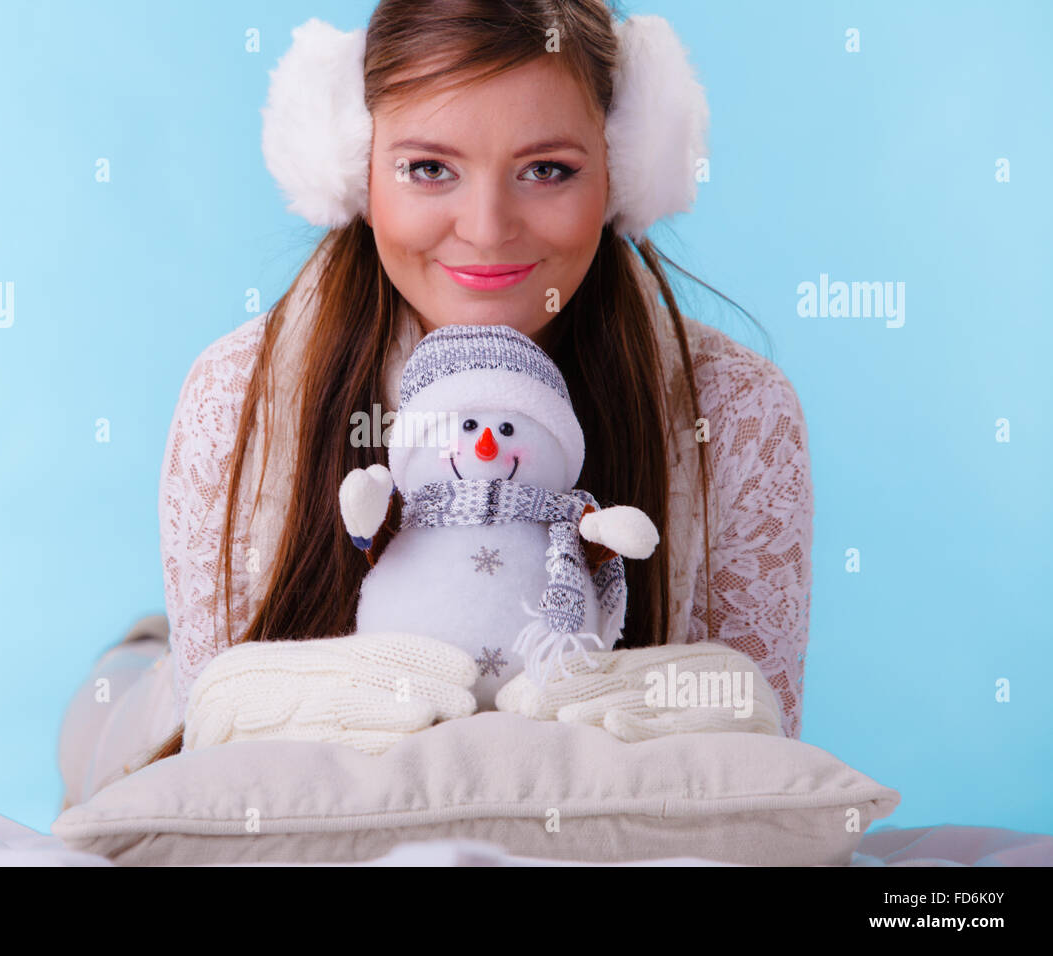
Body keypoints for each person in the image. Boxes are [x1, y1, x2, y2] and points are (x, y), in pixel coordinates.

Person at [58, 0, 813, 811]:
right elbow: (212, 759)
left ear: (625, 168)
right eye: (428, 168)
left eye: (548, 169)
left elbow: (756, 769)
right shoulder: (238, 397)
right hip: (152, 717)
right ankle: (140, 649)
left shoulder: (736, 412)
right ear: (353, 169)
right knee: (123, 706)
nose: (487, 231)